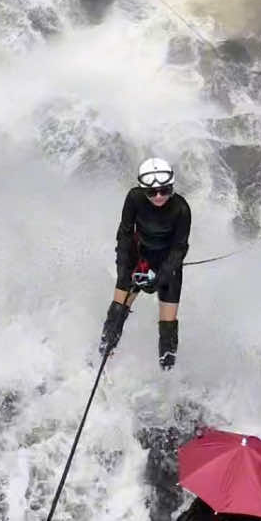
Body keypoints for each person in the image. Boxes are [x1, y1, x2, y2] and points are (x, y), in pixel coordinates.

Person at [99, 157, 191, 370]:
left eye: (164, 190)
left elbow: (179, 248)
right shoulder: (134, 199)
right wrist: (124, 269)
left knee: (168, 327)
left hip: (168, 265)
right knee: (117, 311)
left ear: (172, 187)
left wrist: (160, 278)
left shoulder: (181, 209)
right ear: (143, 190)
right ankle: (102, 358)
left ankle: (167, 371)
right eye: (152, 192)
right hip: (138, 259)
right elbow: (124, 234)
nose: (159, 196)